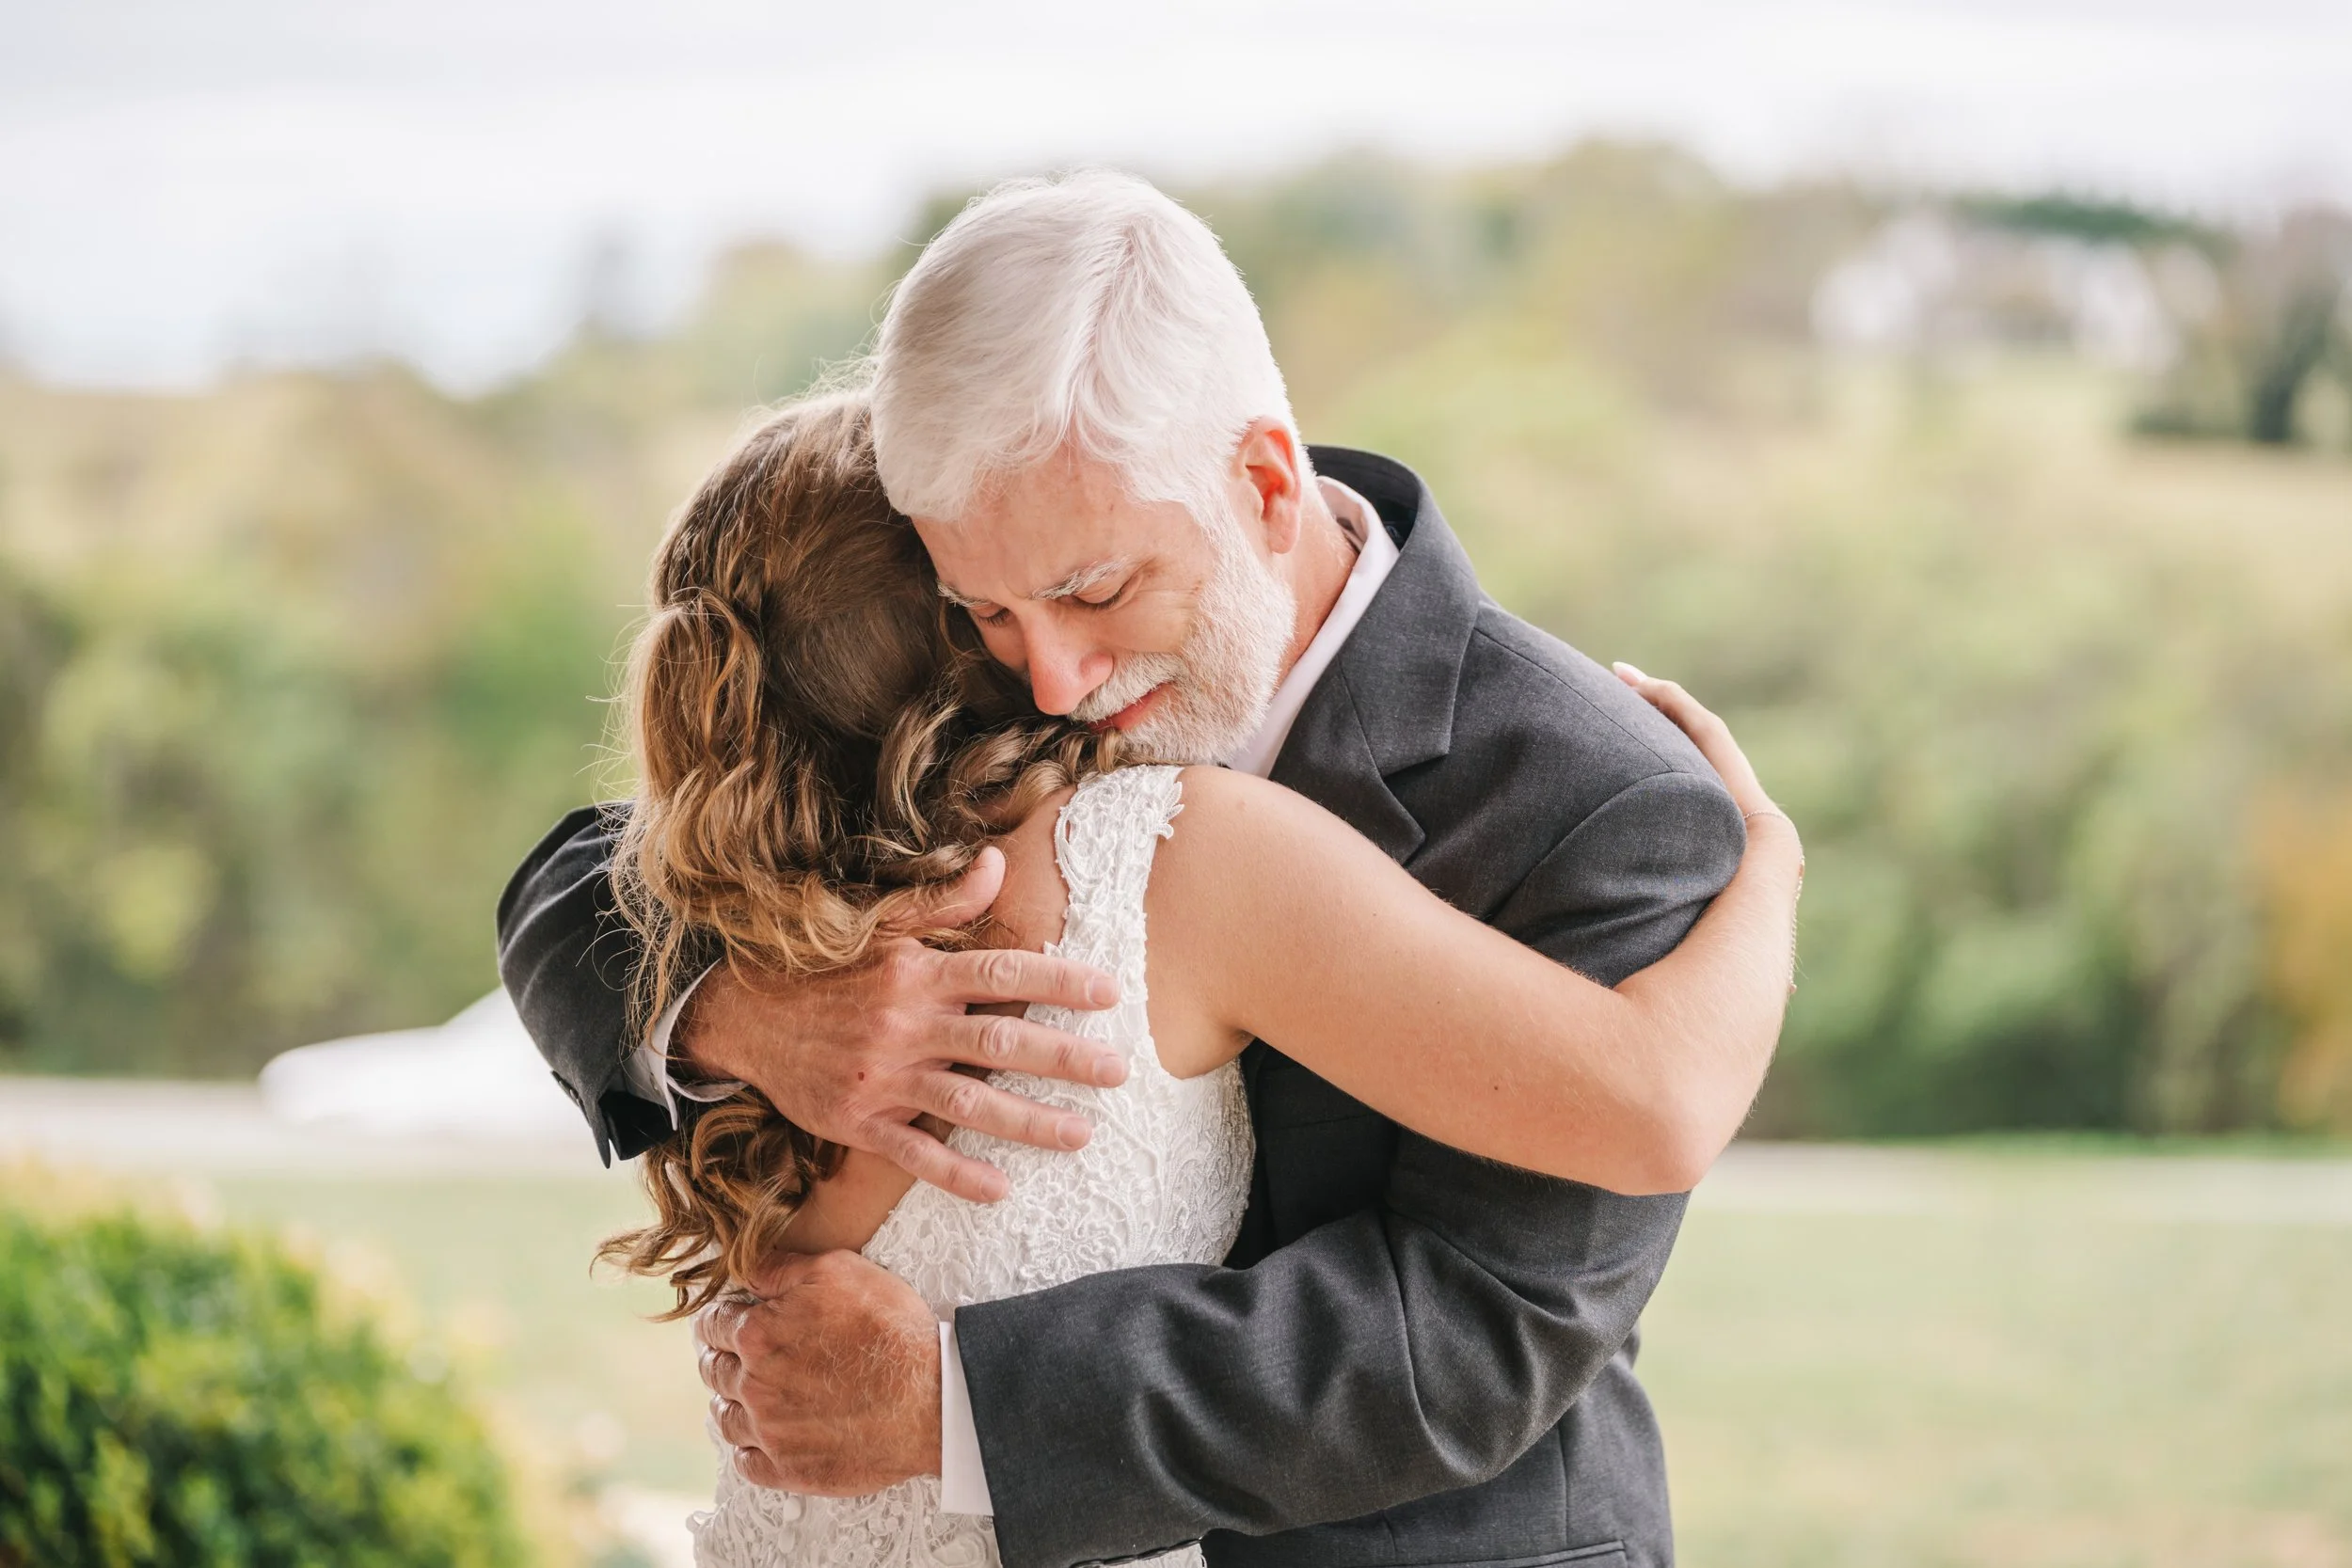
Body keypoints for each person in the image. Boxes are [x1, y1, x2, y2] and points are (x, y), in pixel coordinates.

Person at [498, 170, 1797, 1568]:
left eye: (1098, 592)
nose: (1052, 677)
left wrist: (958, 1406)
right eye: (986, 610)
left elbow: (1477, 1337)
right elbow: (597, 873)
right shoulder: (1012, 617)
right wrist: (738, 1012)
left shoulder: (1599, 799)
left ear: (1264, 485)